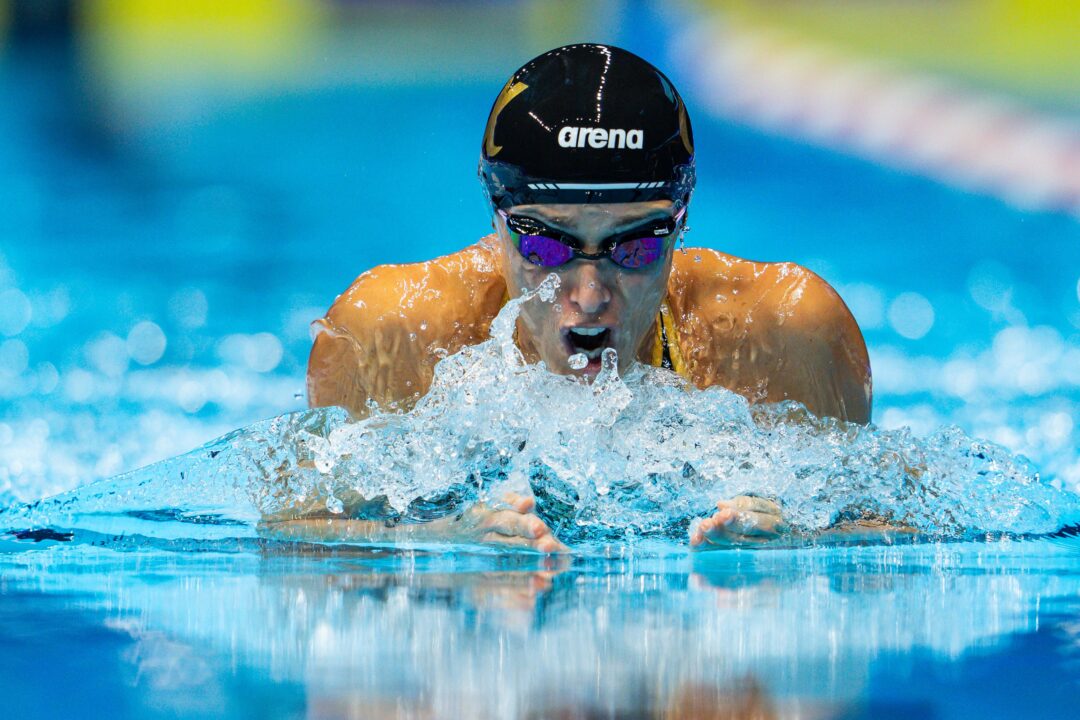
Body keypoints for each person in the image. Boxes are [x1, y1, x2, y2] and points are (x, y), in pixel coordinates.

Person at [299, 44, 872, 552]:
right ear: (497, 224)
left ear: (680, 224)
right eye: (548, 246)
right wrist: (435, 541)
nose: (591, 294)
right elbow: (297, 533)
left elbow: (890, 523)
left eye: (636, 247)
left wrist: (800, 537)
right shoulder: (395, 331)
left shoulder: (784, 334)